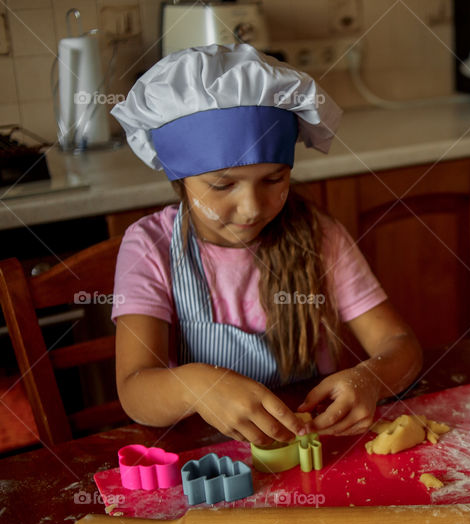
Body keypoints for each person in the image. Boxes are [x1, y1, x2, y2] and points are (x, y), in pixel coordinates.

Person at [110, 44, 422, 446]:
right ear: (179, 179)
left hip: (313, 446)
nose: (252, 207)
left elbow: (401, 346)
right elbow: (135, 391)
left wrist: (370, 379)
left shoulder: (319, 235)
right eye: (223, 185)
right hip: (209, 457)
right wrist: (200, 386)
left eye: (273, 180)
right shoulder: (150, 247)